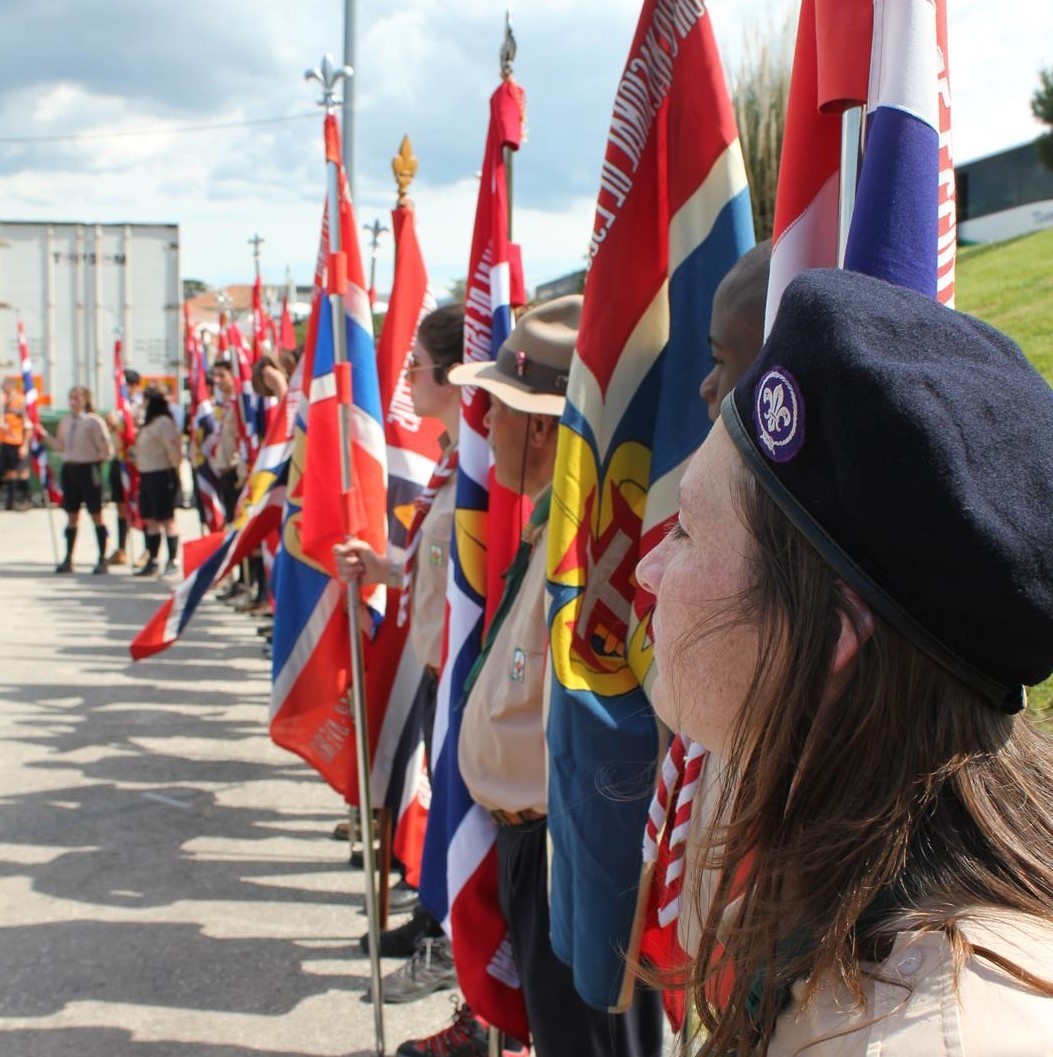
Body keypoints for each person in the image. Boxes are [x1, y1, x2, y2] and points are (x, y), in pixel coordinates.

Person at [635, 268, 1053, 1056]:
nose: (646, 570)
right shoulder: (848, 901)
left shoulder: (942, 1034)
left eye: (686, 531)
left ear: (830, 632)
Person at [398, 297, 663, 1057]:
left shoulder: (587, 550)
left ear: (542, 428)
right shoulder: (545, 527)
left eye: (498, 408)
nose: (483, 422)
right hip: (531, 849)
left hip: (570, 853)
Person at [333, 304, 464, 993]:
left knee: (464, 811)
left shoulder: (484, 465)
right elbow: (436, 564)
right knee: (445, 800)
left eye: (416, 366)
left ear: (453, 373)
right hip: (437, 662)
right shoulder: (451, 458)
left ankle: (455, 946)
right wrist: (384, 567)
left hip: (465, 670)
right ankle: (435, 917)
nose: (407, 378)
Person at [40, 386, 114, 574]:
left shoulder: (93, 421)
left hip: (88, 468)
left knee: (96, 513)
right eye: (71, 398)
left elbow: (106, 449)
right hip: (70, 469)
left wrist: (97, 463)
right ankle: (68, 558)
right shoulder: (66, 421)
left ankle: (102, 558)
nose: (73, 402)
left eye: (77, 398)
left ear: (85, 400)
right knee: (71, 514)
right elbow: (60, 446)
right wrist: (43, 435)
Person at [130, 389, 183, 578]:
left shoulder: (164, 423)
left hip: (162, 474)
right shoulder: (147, 424)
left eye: (145, 400)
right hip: (146, 475)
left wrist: (175, 473)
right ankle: (152, 560)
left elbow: (173, 450)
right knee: (150, 519)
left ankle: (173, 559)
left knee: (166, 518)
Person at [1, 377, 31, 510]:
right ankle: (11, 502)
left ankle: (25, 500)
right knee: (9, 472)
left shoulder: (20, 401)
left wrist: (25, 445)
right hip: (6, 442)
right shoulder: (3, 401)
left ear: (11, 386)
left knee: (22, 471)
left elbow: (28, 425)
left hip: (18, 442)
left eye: (4, 386)